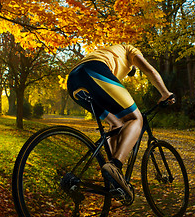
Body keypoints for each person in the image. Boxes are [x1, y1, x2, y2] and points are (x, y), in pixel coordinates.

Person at [66, 44, 175, 199]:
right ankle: (115, 166)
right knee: (135, 118)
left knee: (116, 123)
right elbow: (150, 70)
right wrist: (165, 93)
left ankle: (112, 175)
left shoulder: (107, 53)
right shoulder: (129, 49)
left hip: (73, 81)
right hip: (94, 71)